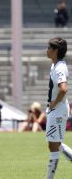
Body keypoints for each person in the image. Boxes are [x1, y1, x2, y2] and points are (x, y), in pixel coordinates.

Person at [45, 37, 72, 179]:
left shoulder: (60, 68)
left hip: (58, 110)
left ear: (55, 51)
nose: (47, 50)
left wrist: (54, 103)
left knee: (53, 146)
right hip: (55, 110)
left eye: (49, 48)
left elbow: (63, 89)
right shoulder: (55, 65)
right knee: (55, 144)